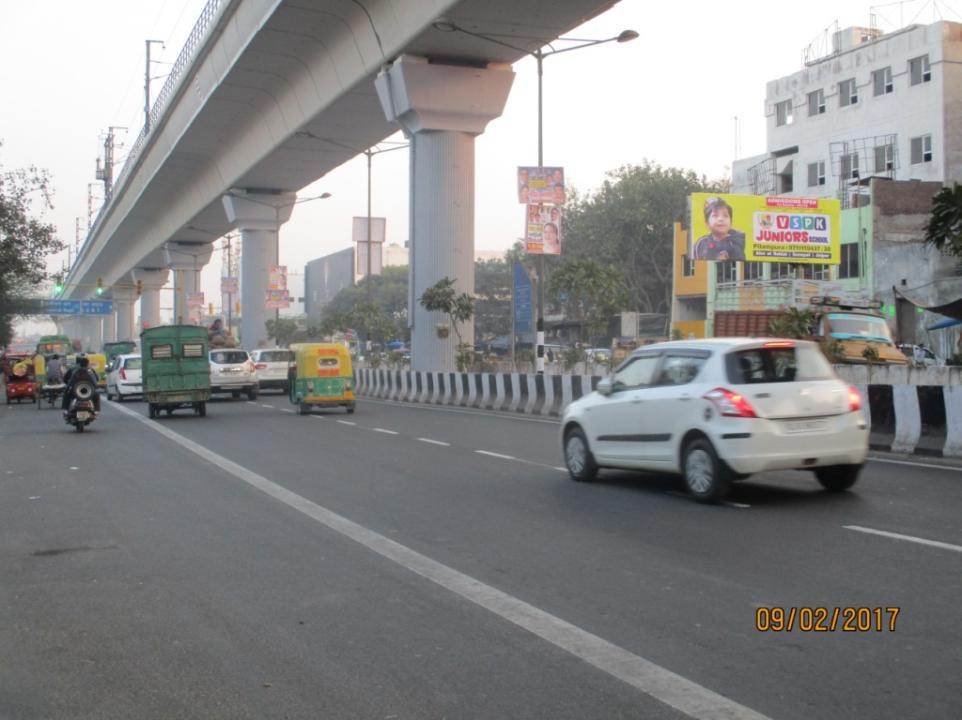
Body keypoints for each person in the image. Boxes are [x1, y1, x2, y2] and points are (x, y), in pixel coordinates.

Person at [693, 197, 746, 261]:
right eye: (715, 216)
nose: (721, 219)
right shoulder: (701, 243)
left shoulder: (736, 241)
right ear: (707, 223)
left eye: (725, 215)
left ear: (731, 222)